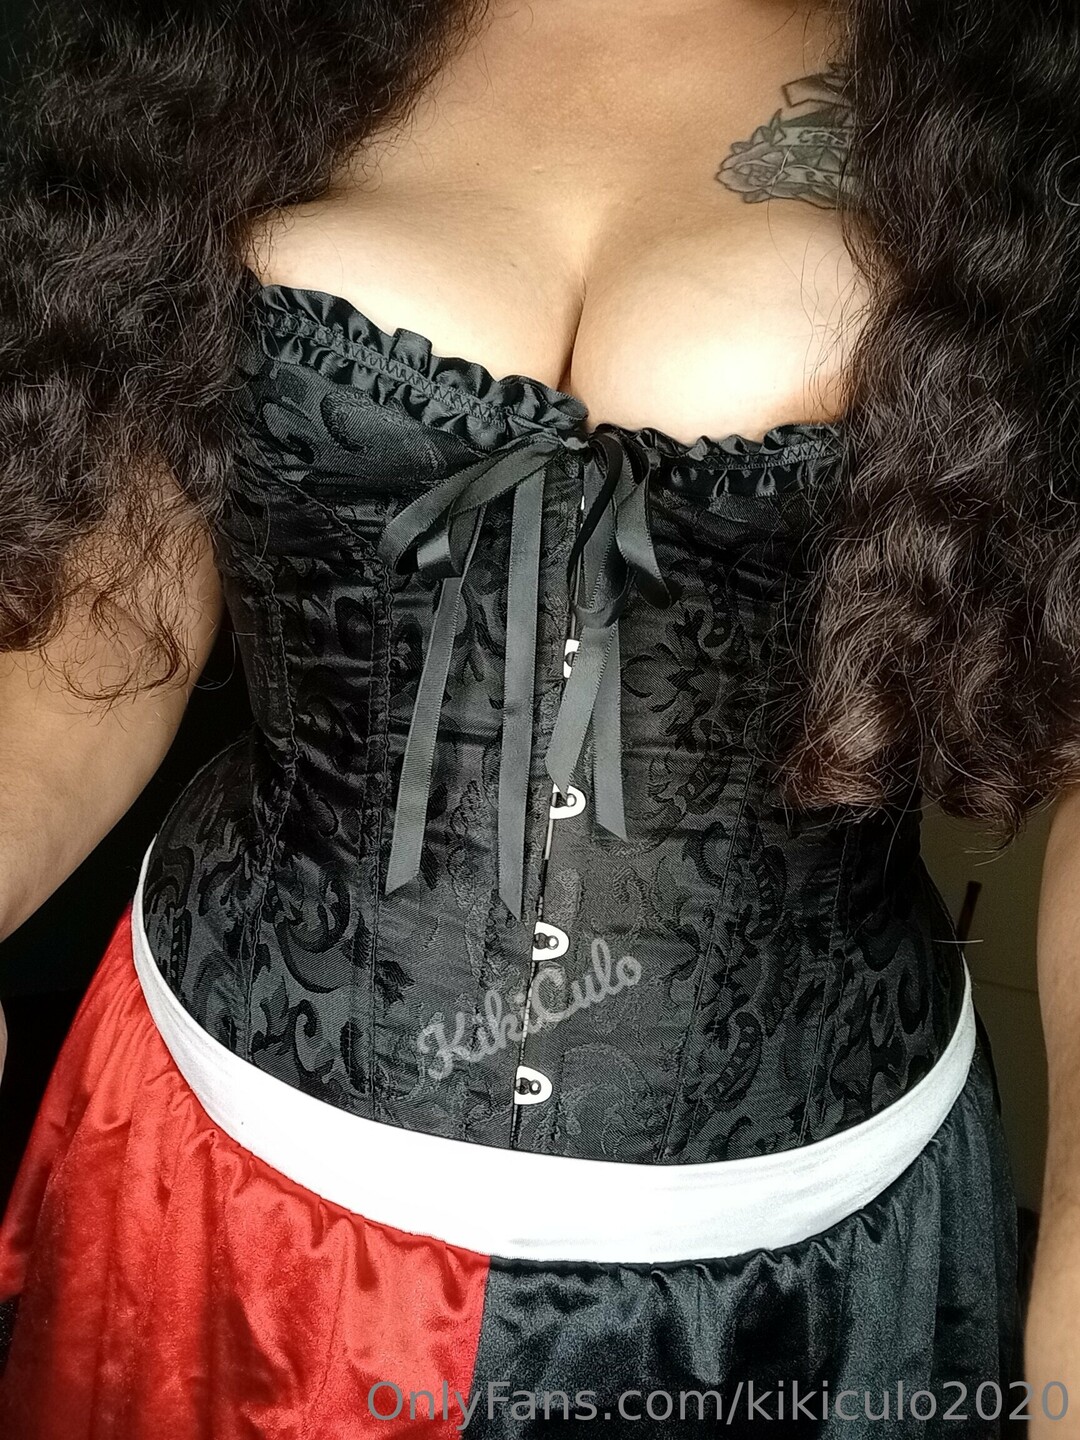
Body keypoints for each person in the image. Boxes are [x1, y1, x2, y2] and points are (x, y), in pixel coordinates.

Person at [0, 0, 1076, 1433]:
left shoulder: (1023, 103)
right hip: (223, 1176)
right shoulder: (229, 44)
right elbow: (99, 611)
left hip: (796, 1262)